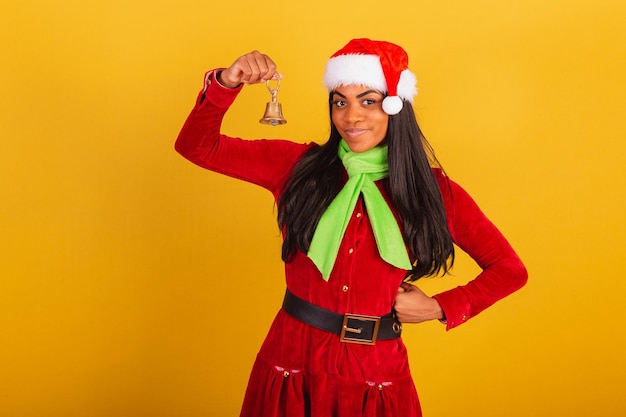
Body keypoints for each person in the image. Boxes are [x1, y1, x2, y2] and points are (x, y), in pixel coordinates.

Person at [175, 38, 528, 417]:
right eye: (340, 101)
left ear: (395, 107)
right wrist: (228, 82)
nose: (351, 117)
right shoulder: (296, 166)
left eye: (368, 101)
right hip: (292, 361)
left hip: (374, 373)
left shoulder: (434, 191)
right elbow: (197, 146)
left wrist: (440, 307)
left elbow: (510, 271)